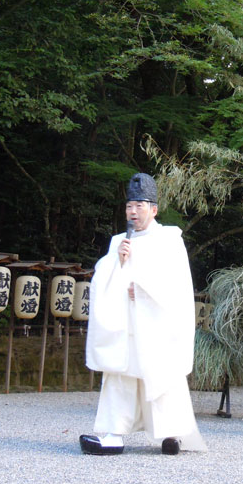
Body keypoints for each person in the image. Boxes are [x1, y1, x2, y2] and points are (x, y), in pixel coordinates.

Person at [80, 172, 207, 456]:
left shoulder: (169, 239)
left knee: (162, 376)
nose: (133, 211)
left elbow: (178, 285)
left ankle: (172, 435)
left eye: (140, 205)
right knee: (120, 376)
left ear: (154, 209)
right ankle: (114, 435)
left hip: (157, 325)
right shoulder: (118, 243)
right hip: (124, 325)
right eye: (129, 206)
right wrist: (117, 261)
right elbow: (102, 281)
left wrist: (146, 291)